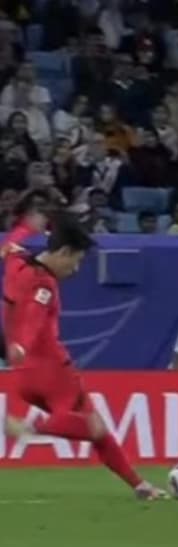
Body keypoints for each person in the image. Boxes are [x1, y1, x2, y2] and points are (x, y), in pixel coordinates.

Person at [1, 206, 166, 500]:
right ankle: (29, 428)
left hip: (24, 376)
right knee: (94, 426)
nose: (75, 270)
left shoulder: (18, 262)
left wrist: (27, 226)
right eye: (76, 261)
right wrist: (22, 345)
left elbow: (9, 245)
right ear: (64, 252)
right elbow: (34, 317)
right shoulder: (45, 284)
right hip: (53, 372)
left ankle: (140, 486)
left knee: (95, 429)